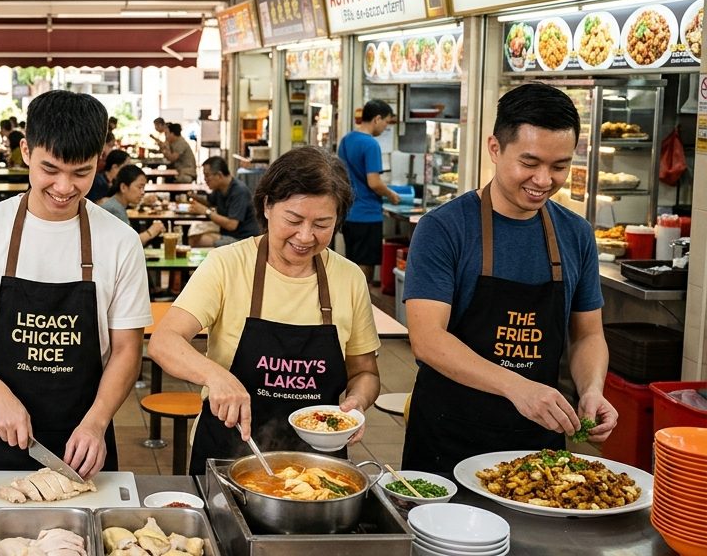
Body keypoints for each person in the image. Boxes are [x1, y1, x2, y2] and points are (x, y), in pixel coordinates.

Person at [0, 90, 152, 477]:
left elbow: (126, 350)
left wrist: (98, 422)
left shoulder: (120, 241)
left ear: (99, 163)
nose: (64, 187)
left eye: (81, 172)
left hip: (84, 438)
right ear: (25, 151)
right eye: (50, 169)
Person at [401, 83, 616, 477]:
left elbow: (587, 335)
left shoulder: (576, 234)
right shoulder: (445, 229)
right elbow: (428, 339)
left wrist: (591, 390)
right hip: (449, 438)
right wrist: (518, 387)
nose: (544, 179)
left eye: (559, 166)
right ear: (495, 148)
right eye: (529, 163)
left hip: (537, 446)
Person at [147, 147, 381, 474]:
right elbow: (164, 341)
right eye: (294, 220)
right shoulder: (227, 264)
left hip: (318, 464)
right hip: (229, 455)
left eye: (322, 224)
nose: (305, 236)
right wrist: (215, 376)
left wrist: (355, 404)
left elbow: (365, 373)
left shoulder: (349, 278)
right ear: (268, 206)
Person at [339, 99, 401, 284]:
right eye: (386, 122)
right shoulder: (371, 144)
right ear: (377, 118)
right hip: (367, 214)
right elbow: (374, 182)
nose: (385, 127)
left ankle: (347, 303)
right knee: (365, 264)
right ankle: (362, 306)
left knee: (350, 263)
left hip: (348, 214)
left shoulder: (347, 139)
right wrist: (392, 194)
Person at [188, 156, 258, 247]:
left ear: (219, 175)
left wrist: (205, 211)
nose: (205, 179)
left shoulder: (239, 191)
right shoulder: (220, 189)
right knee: (194, 233)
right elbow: (210, 202)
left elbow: (231, 225)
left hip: (243, 239)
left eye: (207, 175)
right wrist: (194, 196)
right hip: (228, 233)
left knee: (198, 240)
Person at [100, 163, 166, 246]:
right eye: (139, 187)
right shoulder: (114, 210)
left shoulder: (117, 204)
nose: (142, 192)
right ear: (123, 187)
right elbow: (127, 244)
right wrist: (151, 232)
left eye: (143, 188)